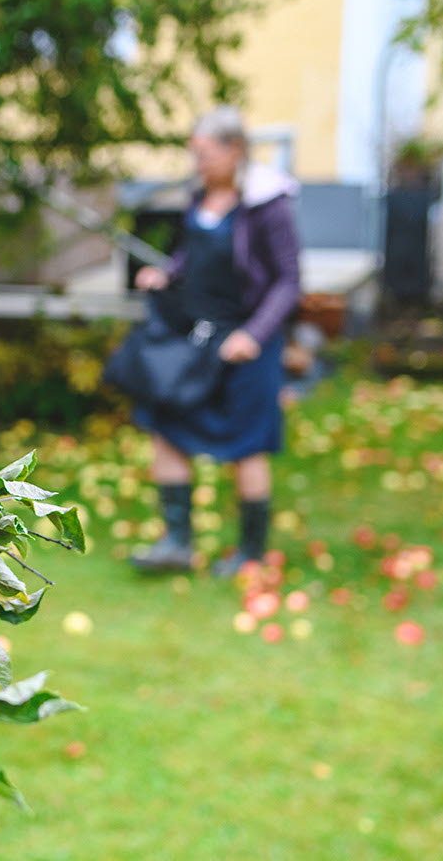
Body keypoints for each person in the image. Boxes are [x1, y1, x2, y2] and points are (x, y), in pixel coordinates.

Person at [128, 107, 302, 576]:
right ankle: (177, 544)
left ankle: (250, 553)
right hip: (200, 340)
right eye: (193, 154)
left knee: (247, 446)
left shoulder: (268, 202)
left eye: (204, 154)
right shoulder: (200, 197)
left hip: (249, 346)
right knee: (164, 425)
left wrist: (254, 335)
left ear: (234, 149)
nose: (197, 163)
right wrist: (166, 274)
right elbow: (193, 253)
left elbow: (288, 281)